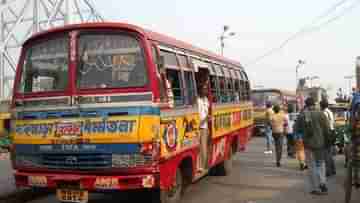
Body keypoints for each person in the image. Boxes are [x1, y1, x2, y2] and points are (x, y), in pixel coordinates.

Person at [297, 97, 331, 195]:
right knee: (320, 163)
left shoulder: (302, 115)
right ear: (314, 104)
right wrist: (327, 141)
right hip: (320, 144)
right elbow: (327, 129)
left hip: (308, 145)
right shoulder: (321, 114)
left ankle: (315, 188)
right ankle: (322, 182)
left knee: (311, 166)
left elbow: (297, 129)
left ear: (306, 105)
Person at [320, 100, 336, 177]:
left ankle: (328, 171)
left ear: (322, 106)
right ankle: (333, 169)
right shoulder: (330, 112)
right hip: (332, 131)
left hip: (327, 132)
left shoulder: (324, 113)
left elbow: (325, 125)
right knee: (329, 152)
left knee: (326, 153)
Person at [197, 81, 210, 172]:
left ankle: (203, 165)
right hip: (198, 126)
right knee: (199, 147)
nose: (205, 90)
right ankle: (199, 166)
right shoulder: (197, 100)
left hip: (204, 126)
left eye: (206, 89)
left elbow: (206, 111)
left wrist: (207, 119)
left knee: (204, 146)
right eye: (204, 89)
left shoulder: (206, 100)